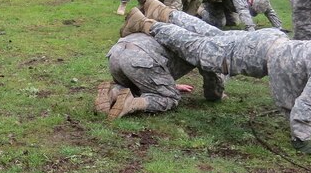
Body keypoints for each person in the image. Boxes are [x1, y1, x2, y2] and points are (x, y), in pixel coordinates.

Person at [123, 0, 311, 156]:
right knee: (202, 51)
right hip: (260, 52)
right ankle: (147, 23)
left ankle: (165, 12)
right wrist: (302, 139)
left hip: (270, 45)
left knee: (216, 39)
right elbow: (307, 105)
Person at [96, 33, 224, 119]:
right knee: (171, 97)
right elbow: (212, 74)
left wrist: (168, 83)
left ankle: (112, 94)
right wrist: (216, 95)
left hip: (117, 51)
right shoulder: (204, 43)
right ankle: (132, 104)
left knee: (132, 85)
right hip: (139, 58)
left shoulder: (173, 25)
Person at [201, 0, 284, 32]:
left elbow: (270, 11)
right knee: (219, 23)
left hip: (230, 7)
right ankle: (200, 11)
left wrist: (279, 27)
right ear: (250, 1)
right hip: (218, 2)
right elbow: (243, 12)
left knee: (233, 22)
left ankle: (225, 13)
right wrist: (252, 31)